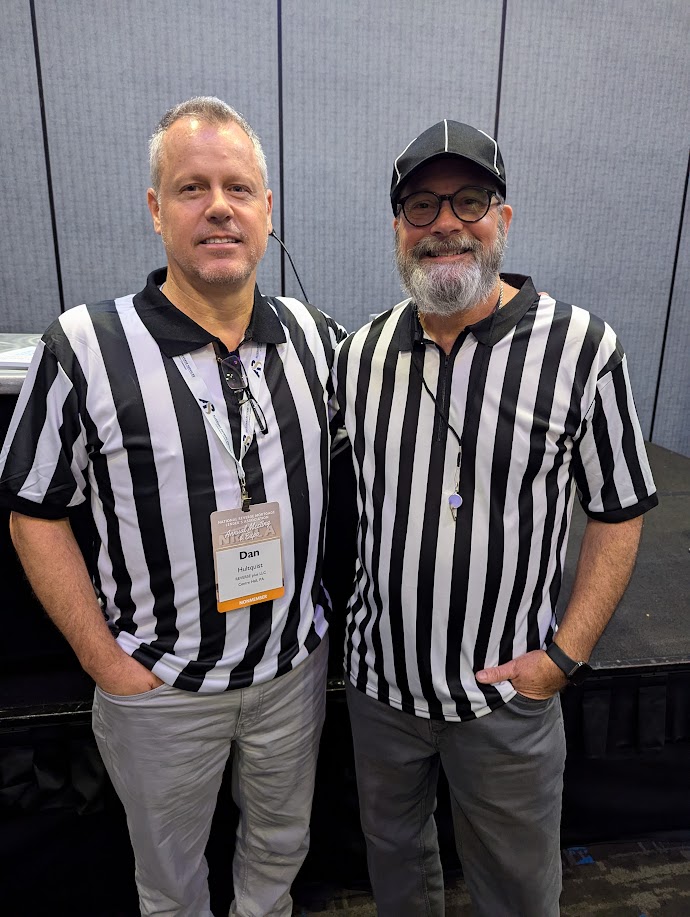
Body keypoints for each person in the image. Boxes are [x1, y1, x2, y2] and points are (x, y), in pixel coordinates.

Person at [0, 97, 345, 917]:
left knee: (279, 849)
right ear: (157, 211)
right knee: (169, 876)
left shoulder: (315, 337)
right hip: (160, 690)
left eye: (238, 187)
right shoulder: (83, 346)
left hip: (291, 674)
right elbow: (32, 510)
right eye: (192, 187)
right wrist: (107, 663)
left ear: (267, 209)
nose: (218, 206)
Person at [334, 120, 658, 916]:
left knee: (518, 893)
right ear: (398, 229)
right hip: (381, 695)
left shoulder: (584, 349)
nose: (445, 222)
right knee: (398, 882)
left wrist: (561, 658)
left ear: (502, 219)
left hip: (505, 703)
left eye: (469, 199)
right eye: (420, 205)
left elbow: (618, 511)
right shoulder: (361, 352)